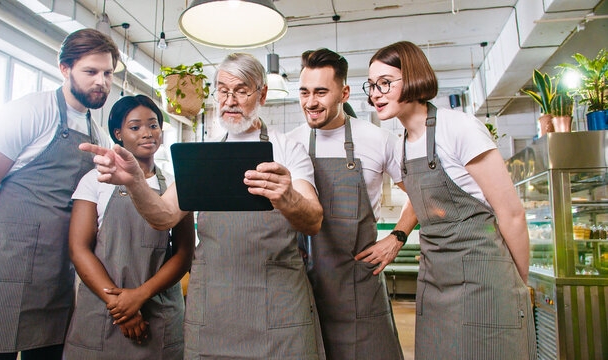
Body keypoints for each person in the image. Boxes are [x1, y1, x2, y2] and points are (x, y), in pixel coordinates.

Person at [80, 53, 327, 359]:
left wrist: (287, 196)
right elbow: (163, 216)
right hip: (213, 307)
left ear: (262, 94)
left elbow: (313, 221)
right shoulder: (203, 154)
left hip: (278, 304)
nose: (230, 100)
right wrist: (134, 182)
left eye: (242, 90)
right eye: (222, 90)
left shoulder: (287, 148)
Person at [361, 41, 536, 359]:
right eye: (371, 85)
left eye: (385, 82)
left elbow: (511, 214)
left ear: (413, 77)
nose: (375, 93)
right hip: (436, 284)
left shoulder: (459, 128)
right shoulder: (400, 143)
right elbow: (420, 198)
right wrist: (398, 236)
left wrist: (519, 288)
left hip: (484, 283)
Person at [0, 29, 118, 360]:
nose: (102, 81)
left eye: (108, 73)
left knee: (48, 352)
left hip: (56, 269)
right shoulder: (29, 111)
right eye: (91, 72)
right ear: (64, 69)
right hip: (6, 262)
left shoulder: (95, 131)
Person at [287, 48, 404, 359]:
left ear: (344, 92)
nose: (310, 102)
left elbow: (423, 193)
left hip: (359, 287)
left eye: (321, 92)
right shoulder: (289, 143)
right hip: (303, 287)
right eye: (304, 92)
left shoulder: (378, 140)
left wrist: (397, 238)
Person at [63, 95, 194, 359]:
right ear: (118, 133)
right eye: (135, 127)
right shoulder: (95, 180)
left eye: (153, 125)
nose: (147, 133)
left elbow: (184, 254)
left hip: (158, 315)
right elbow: (79, 249)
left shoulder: (175, 184)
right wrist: (118, 305)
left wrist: (139, 296)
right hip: (104, 314)